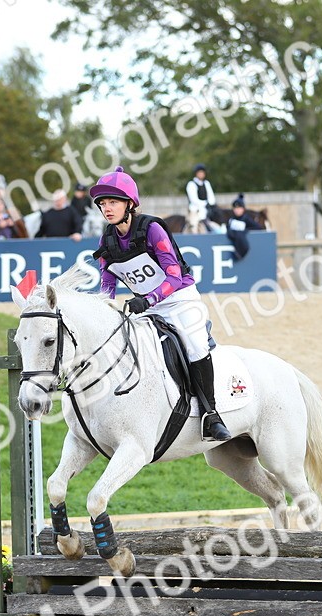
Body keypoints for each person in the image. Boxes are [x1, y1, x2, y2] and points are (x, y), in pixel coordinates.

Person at [91, 166, 231, 442]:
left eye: (113, 202)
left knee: (195, 345)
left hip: (179, 299)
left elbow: (174, 275)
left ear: (130, 204)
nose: (107, 208)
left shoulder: (152, 228)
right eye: (103, 203)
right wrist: (103, 308)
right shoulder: (107, 238)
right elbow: (107, 282)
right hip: (148, 307)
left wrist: (150, 299)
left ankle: (211, 414)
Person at [225, 194, 264, 261]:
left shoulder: (246, 219)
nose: (237, 210)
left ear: (243, 209)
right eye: (235, 208)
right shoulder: (231, 219)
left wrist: (245, 230)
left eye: (239, 208)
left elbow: (258, 228)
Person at [185, 164, 222, 232]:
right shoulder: (191, 184)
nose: (201, 174)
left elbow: (211, 198)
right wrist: (205, 203)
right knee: (194, 224)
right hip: (195, 210)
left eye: (202, 172)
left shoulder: (206, 183)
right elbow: (194, 200)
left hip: (207, 210)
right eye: (199, 172)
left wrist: (209, 203)